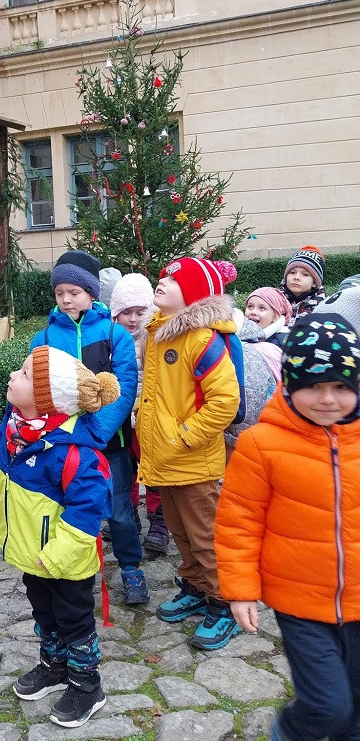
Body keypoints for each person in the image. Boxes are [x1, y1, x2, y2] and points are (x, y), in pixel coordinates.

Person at [215, 312, 360, 741]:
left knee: (358, 694)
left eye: (341, 386)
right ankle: (292, 737)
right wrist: (239, 588)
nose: (327, 399)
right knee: (327, 701)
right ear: (290, 383)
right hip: (301, 602)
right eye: (313, 385)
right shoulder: (262, 444)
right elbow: (238, 520)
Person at [0, 345, 119, 728]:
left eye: (23, 375)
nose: (12, 377)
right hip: (33, 557)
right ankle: (55, 666)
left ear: (46, 399)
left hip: (65, 563)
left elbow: (86, 514)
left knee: (74, 622)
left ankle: (87, 685)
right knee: (44, 615)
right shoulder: (16, 433)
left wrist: (56, 556)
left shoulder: (75, 454)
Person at [136, 257, 242, 650]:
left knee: (205, 536)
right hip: (166, 460)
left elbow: (224, 401)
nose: (163, 281)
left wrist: (183, 438)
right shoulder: (159, 332)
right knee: (181, 532)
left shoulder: (200, 339)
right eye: (163, 275)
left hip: (193, 461)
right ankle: (197, 588)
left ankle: (224, 603)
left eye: (174, 279)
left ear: (194, 294)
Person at [31, 251, 147, 605]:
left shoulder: (114, 334)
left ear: (92, 293)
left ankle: (131, 567)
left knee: (119, 509)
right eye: (59, 293)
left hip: (109, 443)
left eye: (74, 292)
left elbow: (124, 386)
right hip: (64, 444)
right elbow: (37, 387)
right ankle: (71, 569)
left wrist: (99, 432)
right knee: (69, 508)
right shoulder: (45, 337)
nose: (66, 299)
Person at [110, 272, 170, 554]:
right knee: (127, 469)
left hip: (150, 417)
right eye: (126, 312)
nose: (133, 319)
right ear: (116, 314)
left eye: (139, 311)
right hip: (120, 418)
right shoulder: (110, 339)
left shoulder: (157, 338)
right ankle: (129, 515)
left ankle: (159, 519)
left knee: (153, 469)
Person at [224, 309, 277, 453]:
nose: (253, 312)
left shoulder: (245, 351)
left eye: (262, 308)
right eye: (250, 306)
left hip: (242, 443)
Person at [279, 245, 327, 325]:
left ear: (314, 283)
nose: (296, 277)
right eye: (292, 272)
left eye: (305, 274)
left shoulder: (323, 307)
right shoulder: (276, 300)